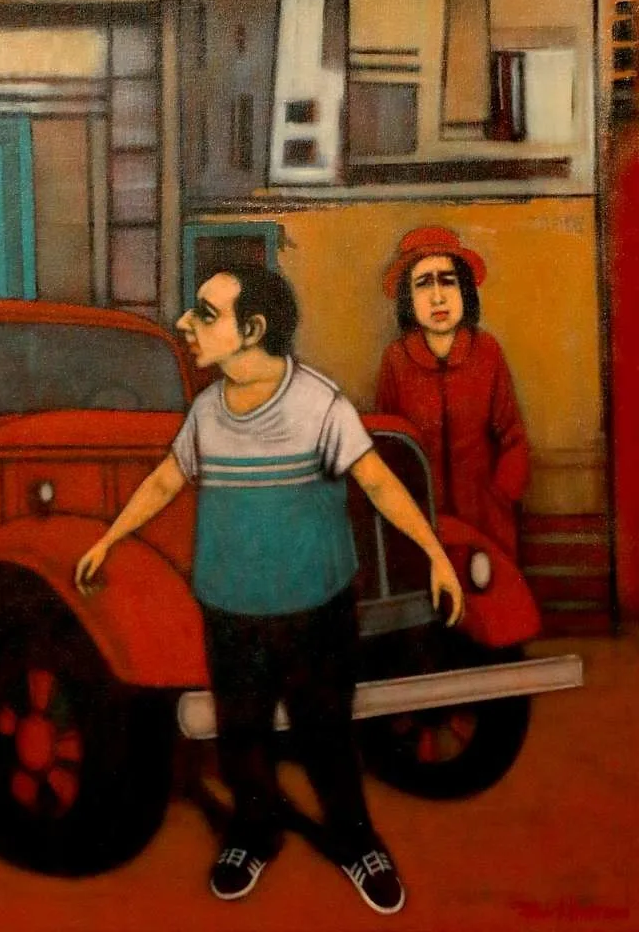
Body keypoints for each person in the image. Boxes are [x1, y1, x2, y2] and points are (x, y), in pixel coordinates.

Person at [75, 266, 464, 917]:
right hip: (230, 608)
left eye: (205, 313)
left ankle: (357, 842)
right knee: (242, 736)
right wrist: (109, 539)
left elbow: (377, 482)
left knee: (326, 738)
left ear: (252, 329)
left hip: (317, 610)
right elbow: (166, 480)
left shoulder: (319, 404)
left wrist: (435, 554)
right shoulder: (206, 411)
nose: (185, 324)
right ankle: (253, 835)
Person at [375, 226, 530, 559]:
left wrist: (500, 495)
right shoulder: (396, 359)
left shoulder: (487, 351)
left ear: (465, 290)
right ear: (408, 298)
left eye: (447, 281)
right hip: (421, 524)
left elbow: (513, 437)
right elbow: (387, 447)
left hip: (486, 521)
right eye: (423, 284)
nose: (437, 297)